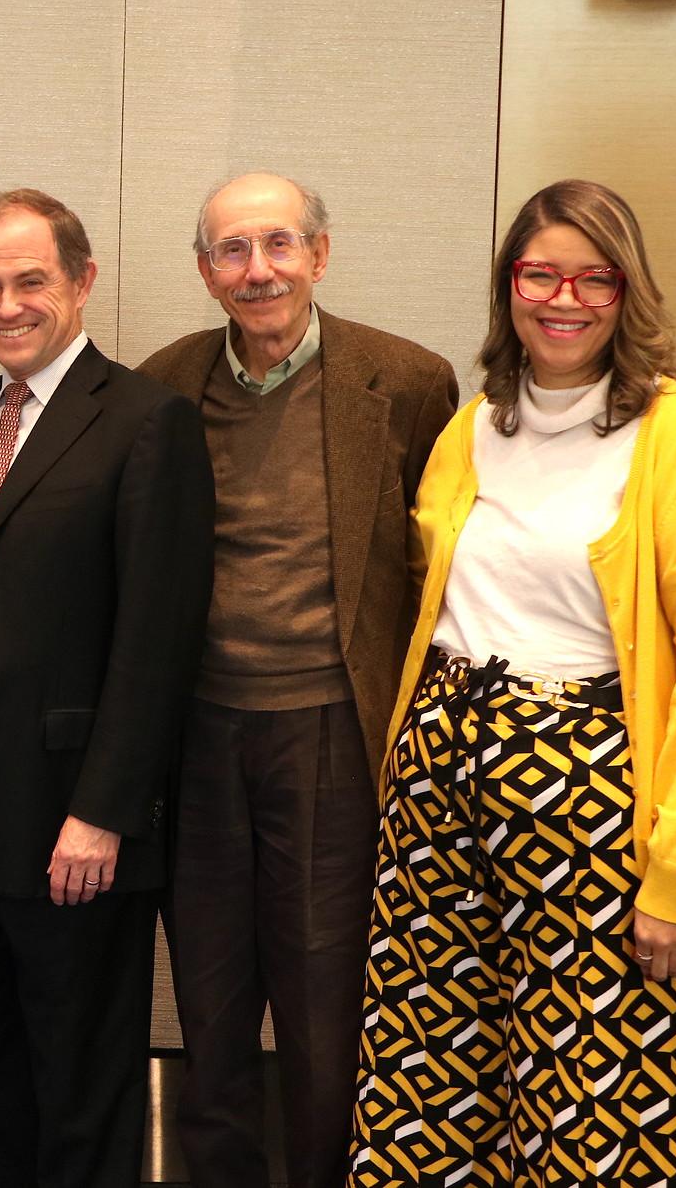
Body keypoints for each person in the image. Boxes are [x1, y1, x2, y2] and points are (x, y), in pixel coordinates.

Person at [349, 179, 676, 1186]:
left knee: (599, 1099)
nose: (563, 297)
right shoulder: (473, 429)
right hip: (439, 785)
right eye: (539, 272)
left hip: (592, 797)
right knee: (430, 1075)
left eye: (593, 276)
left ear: (628, 292)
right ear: (508, 286)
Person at [136, 171, 457, 1188]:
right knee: (210, 998)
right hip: (196, 738)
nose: (256, 269)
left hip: (329, 733)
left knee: (325, 1005)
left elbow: (436, 570)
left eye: (277, 245)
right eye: (230, 251)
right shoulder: (163, 383)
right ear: (203, 271)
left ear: (319, 255)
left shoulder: (405, 382)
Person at [0, 187, 214, 1187]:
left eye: (29, 281)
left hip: (71, 829)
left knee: (81, 1088)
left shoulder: (144, 422)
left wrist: (102, 813)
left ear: (82, 282)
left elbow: (156, 638)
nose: (6, 304)